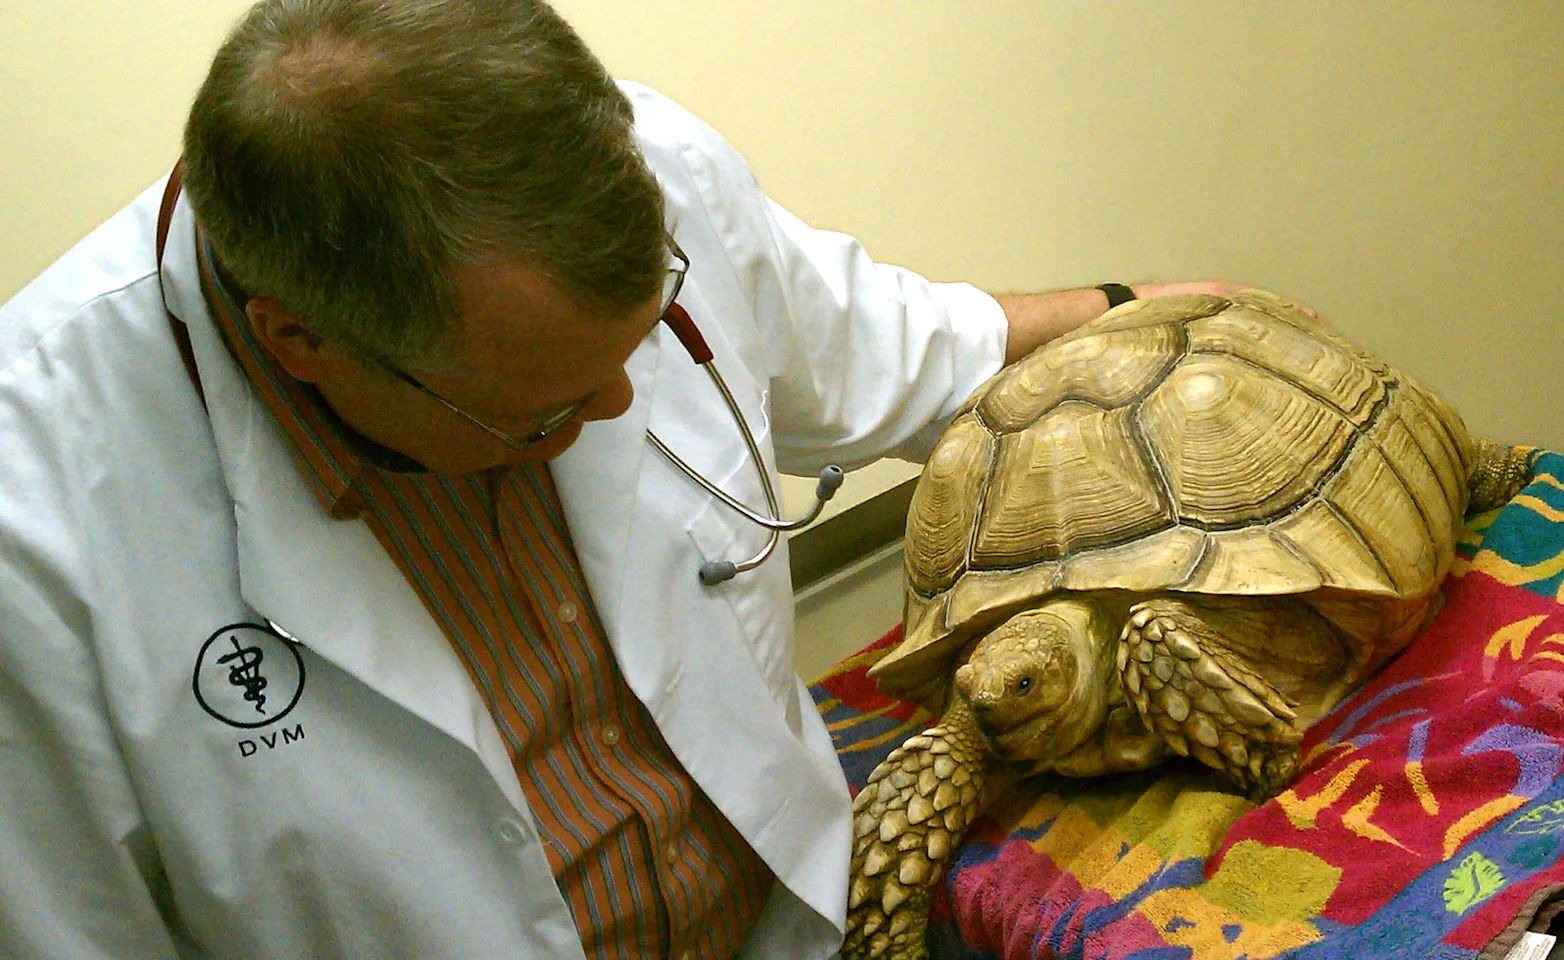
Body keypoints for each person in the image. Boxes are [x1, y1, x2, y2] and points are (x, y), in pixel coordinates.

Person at [0, 2, 1240, 958]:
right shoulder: (35, 522)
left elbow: (900, 351)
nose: (619, 408)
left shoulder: (644, 169)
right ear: (300, 343)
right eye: (542, 410)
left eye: (649, 341)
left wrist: (1151, 319)